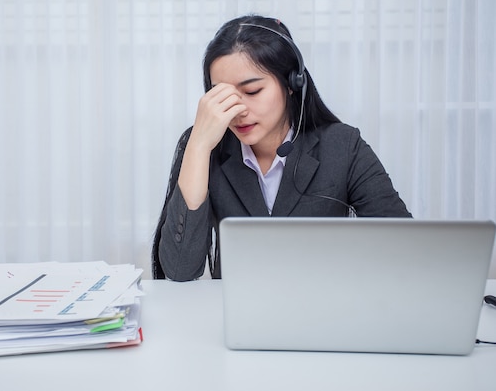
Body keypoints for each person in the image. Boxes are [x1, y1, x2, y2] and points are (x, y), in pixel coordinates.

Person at [152, 15, 411, 281]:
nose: (238, 111)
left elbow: (405, 248)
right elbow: (179, 269)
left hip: (325, 310)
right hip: (239, 314)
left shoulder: (342, 145)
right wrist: (197, 145)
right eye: (223, 97)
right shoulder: (205, 145)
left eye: (252, 91)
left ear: (291, 83)